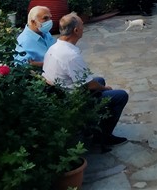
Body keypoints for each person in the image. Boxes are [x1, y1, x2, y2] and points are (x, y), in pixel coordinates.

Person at [43, 12, 129, 148]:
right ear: (76, 30)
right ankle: (103, 137)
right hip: (70, 99)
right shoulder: (70, 55)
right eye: (82, 25)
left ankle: (93, 126)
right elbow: (89, 85)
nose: (83, 28)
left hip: (59, 91)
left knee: (99, 80)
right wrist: (105, 89)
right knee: (121, 95)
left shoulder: (54, 47)